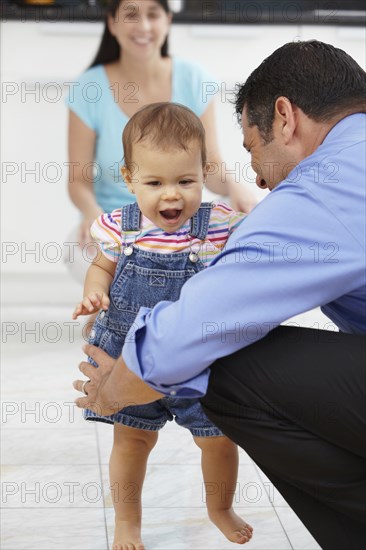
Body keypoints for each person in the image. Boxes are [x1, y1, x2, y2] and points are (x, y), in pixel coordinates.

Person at [73, 40, 366, 550]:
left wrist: (113, 388)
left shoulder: (326, 184)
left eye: (254, 150)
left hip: (140, 364)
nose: (257, 176)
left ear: (284, 119)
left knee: (225, 363)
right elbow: (104, 266)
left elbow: (209, 317)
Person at [72, 102, 253, 550]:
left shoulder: (219, 225)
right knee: (131, 443)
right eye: (154, 183)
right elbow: (101, 269)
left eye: (185, 181)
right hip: (130, 359)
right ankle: (128, 523)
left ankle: (219, 508)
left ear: (202, 173)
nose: (171, 195)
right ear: (129, 178)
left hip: (198, 357)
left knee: (218, 439)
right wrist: (96, 293)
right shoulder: (120, 229)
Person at [65, 0, 256, 283]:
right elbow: (78, 179)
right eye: (131, 15)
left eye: (153, 15)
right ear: (112, 23)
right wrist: (93, 217)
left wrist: (235, 186)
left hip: (182, 219)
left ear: (167, 20)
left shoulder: (193, 79)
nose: (143, 26)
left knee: (243, 222)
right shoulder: (88, 88)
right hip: (118, 223)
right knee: (79, 251)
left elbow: (211, 166)